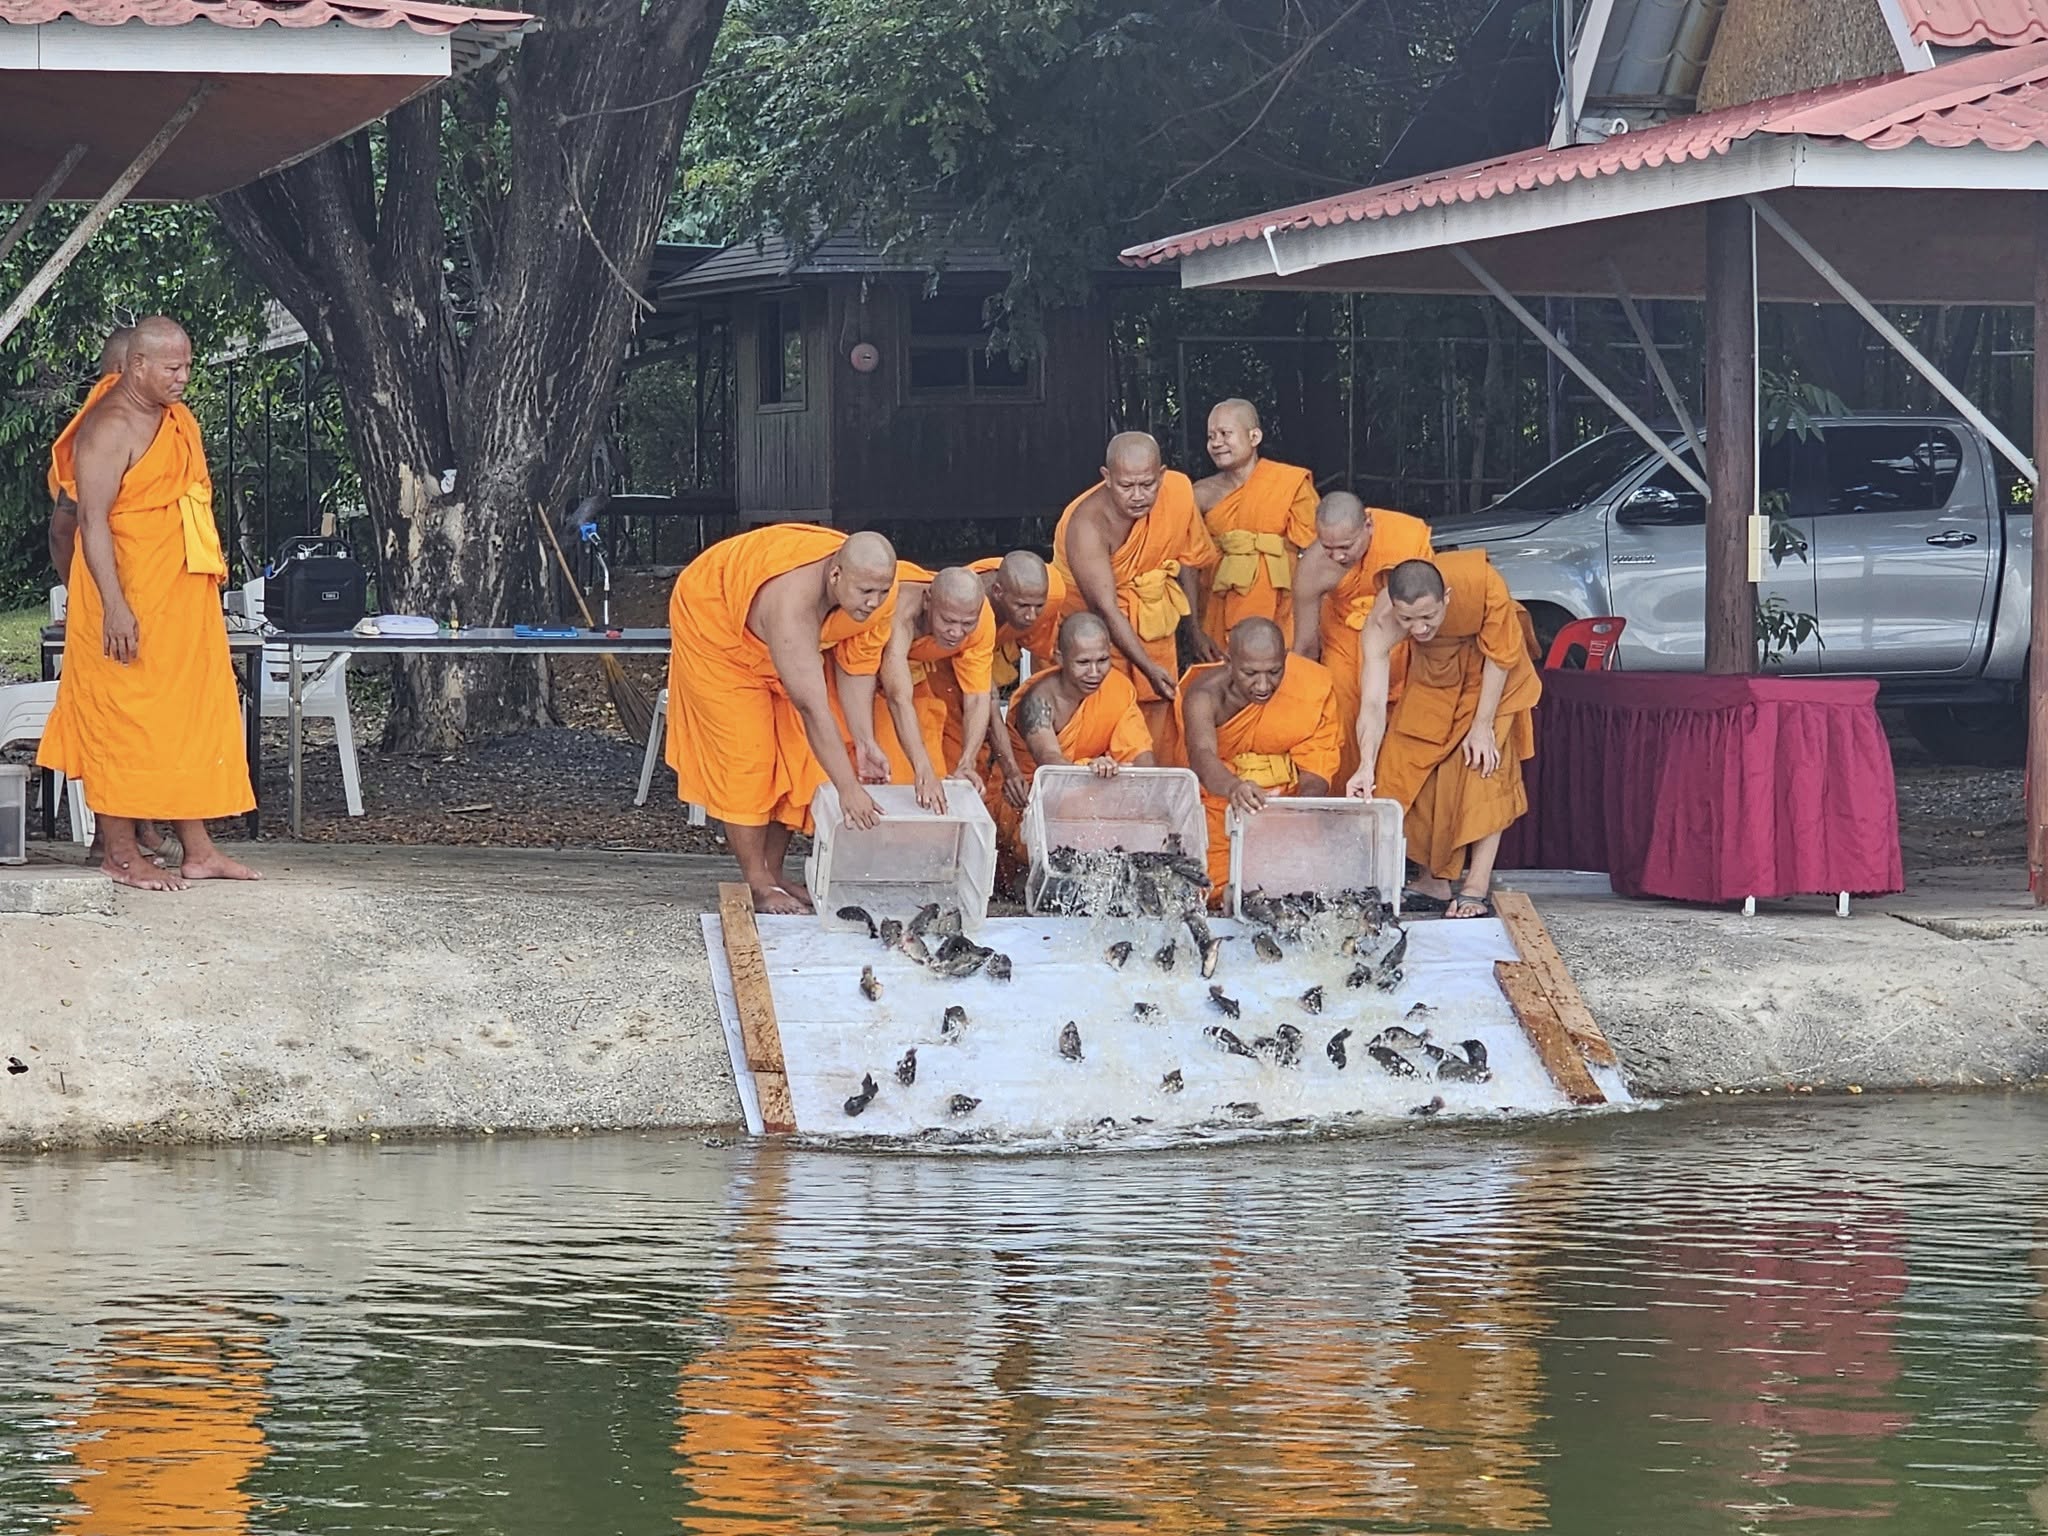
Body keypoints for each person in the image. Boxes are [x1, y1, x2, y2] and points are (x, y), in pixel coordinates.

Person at [36, 316, 257, 890]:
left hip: (178, 599)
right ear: (137, 367)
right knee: (123, 721)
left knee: (181, 718)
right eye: (172, 367)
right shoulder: (108, 427)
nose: (184, 377)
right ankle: (119, 853)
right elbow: (89, 522)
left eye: (186, 365)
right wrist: (113, 605)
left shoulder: (175, 421)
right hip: (123, 601)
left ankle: (199, 848)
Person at [665, 524, 902, 914]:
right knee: (750, 758)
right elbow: (812, 708)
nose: (874, 601)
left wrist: (863, 740)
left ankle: (774, 874)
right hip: (716, 624)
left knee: (797, 755)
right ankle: (757, 882)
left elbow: (857, 665)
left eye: (882, 590)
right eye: (865, 592)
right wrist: (848, 789)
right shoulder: (793, 607)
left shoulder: (879, 595)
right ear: (835, 574)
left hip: (786, 642)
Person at [1346, 553, 1541, 919]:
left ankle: (1475, 886)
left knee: (1482, 768)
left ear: (1447, 598)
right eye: (1407, 619)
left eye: (1428, 617)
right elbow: (1372, 703)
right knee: (1401, 766)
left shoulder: (1482, 585)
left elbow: (1501, 656)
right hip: (1435, 677)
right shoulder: (1381, 623)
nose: (1418, 629)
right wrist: (1366, 764)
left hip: (1494, 680)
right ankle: (1432, 881)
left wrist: (1481, 725)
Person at [1052, 431, 1219, 743]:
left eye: (1148, 484)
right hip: (1092, 638)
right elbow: (1104, 607)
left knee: (1157, 729)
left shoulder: (1178, 492)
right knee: (1102, 725)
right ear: (1107, 478)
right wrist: (1147, 667)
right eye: (1127, 486)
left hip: (1153, 624)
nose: (1138, 496)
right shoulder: (1087, 525)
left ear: (1162, 474)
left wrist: (1194, 629)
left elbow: (1187, 560)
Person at [1175, 618, 1342, 896]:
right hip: (1225, 799)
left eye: (1275, 671)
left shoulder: (1310, 685)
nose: (1264, 685)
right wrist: (1234, 788)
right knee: (1212, 884)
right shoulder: (1205, 696)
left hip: (1289, 800)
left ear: (1286, 659)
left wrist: (1299, 809)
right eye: (1250, 673)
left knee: (1304, 882)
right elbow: (1202, 756)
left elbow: (1319, 758)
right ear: (1229, 661)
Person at [1291, 492, 1435, 788]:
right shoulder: (1313, 568)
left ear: (1369, 525)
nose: (1339, 556)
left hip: (1405, 641)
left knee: (1412, 729)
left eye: (1347, 546)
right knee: (1340, 727)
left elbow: (1426, 608)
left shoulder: (1403, 537)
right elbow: (1305, 645)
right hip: (1345, 645)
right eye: (1328, 547)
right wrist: (1298, 702)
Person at [987, 611, 1155, 860]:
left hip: (1090, 791)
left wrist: (1127, 787)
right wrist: (1090, 769)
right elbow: (1051, 763)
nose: (1095, 672)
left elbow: (1142, 758)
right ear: (1060, 657)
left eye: (1103, 660)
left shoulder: (1118, 688)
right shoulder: (1040, 702)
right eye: (1083, 663)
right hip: (1027, 800)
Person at [834, 562, 988, 802]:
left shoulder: (980, 618)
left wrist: (968, 761)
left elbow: (978, 695)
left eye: (967, 624)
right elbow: (899, 696)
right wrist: (921, 767)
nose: (956, 632)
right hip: (855, 678)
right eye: (948, 621)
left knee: (929, 771)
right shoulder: (899, 614)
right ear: (928, 600)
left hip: (910, 680)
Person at [1194, 399, 1319, 649]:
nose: (1216, 443)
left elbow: (1318, 551)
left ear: (1254, 437)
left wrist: (1313, 627)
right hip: (1221, 610)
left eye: (1225, 434)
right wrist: (1194, 630)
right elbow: (1189, 559)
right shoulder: (1200, 493)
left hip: (1283, 610)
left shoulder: (1288, 483)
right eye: (1211, 436)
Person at [963, 550, 1062, 808]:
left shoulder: (1054, 595)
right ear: (997, 592)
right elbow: (988, 699)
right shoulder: (970, 608)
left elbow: (1053, 649)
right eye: (1022, 606)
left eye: (1037, 606)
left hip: (987, 662)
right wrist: (1010, 769)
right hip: (955, 672)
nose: (1031, 616)